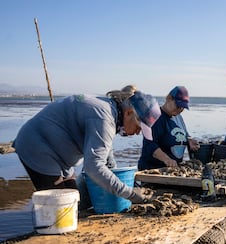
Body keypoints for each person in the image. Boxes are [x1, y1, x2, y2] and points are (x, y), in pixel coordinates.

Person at [13, 86, 161, 208]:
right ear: (129, 112)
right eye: (139, 127)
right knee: (60, 207)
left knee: (74, 202)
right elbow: (93, 167)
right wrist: (130, 194)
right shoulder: (104, 118)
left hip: (59, 155)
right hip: (37, 147)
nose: (137, 133)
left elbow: (107, 159)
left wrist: (127, 183)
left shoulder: (111, 112)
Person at [138, 86, 200, 170]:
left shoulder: (178, 117)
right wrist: (167, 160)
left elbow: (184, 135)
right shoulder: (155, 116)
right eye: (178, 106)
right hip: (153, 170)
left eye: (183, 107)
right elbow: (149, 145)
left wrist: (189, 140)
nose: (180, 109)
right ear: (169, 98)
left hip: (172, 170)